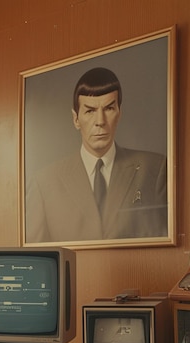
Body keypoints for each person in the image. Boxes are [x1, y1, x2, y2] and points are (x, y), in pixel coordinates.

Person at [25, 67, 167, 243]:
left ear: (119, 112)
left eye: (108, 108)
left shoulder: (153, 168)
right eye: (90, 111)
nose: (100, 121)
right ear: (76, 119)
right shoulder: (44, 183)